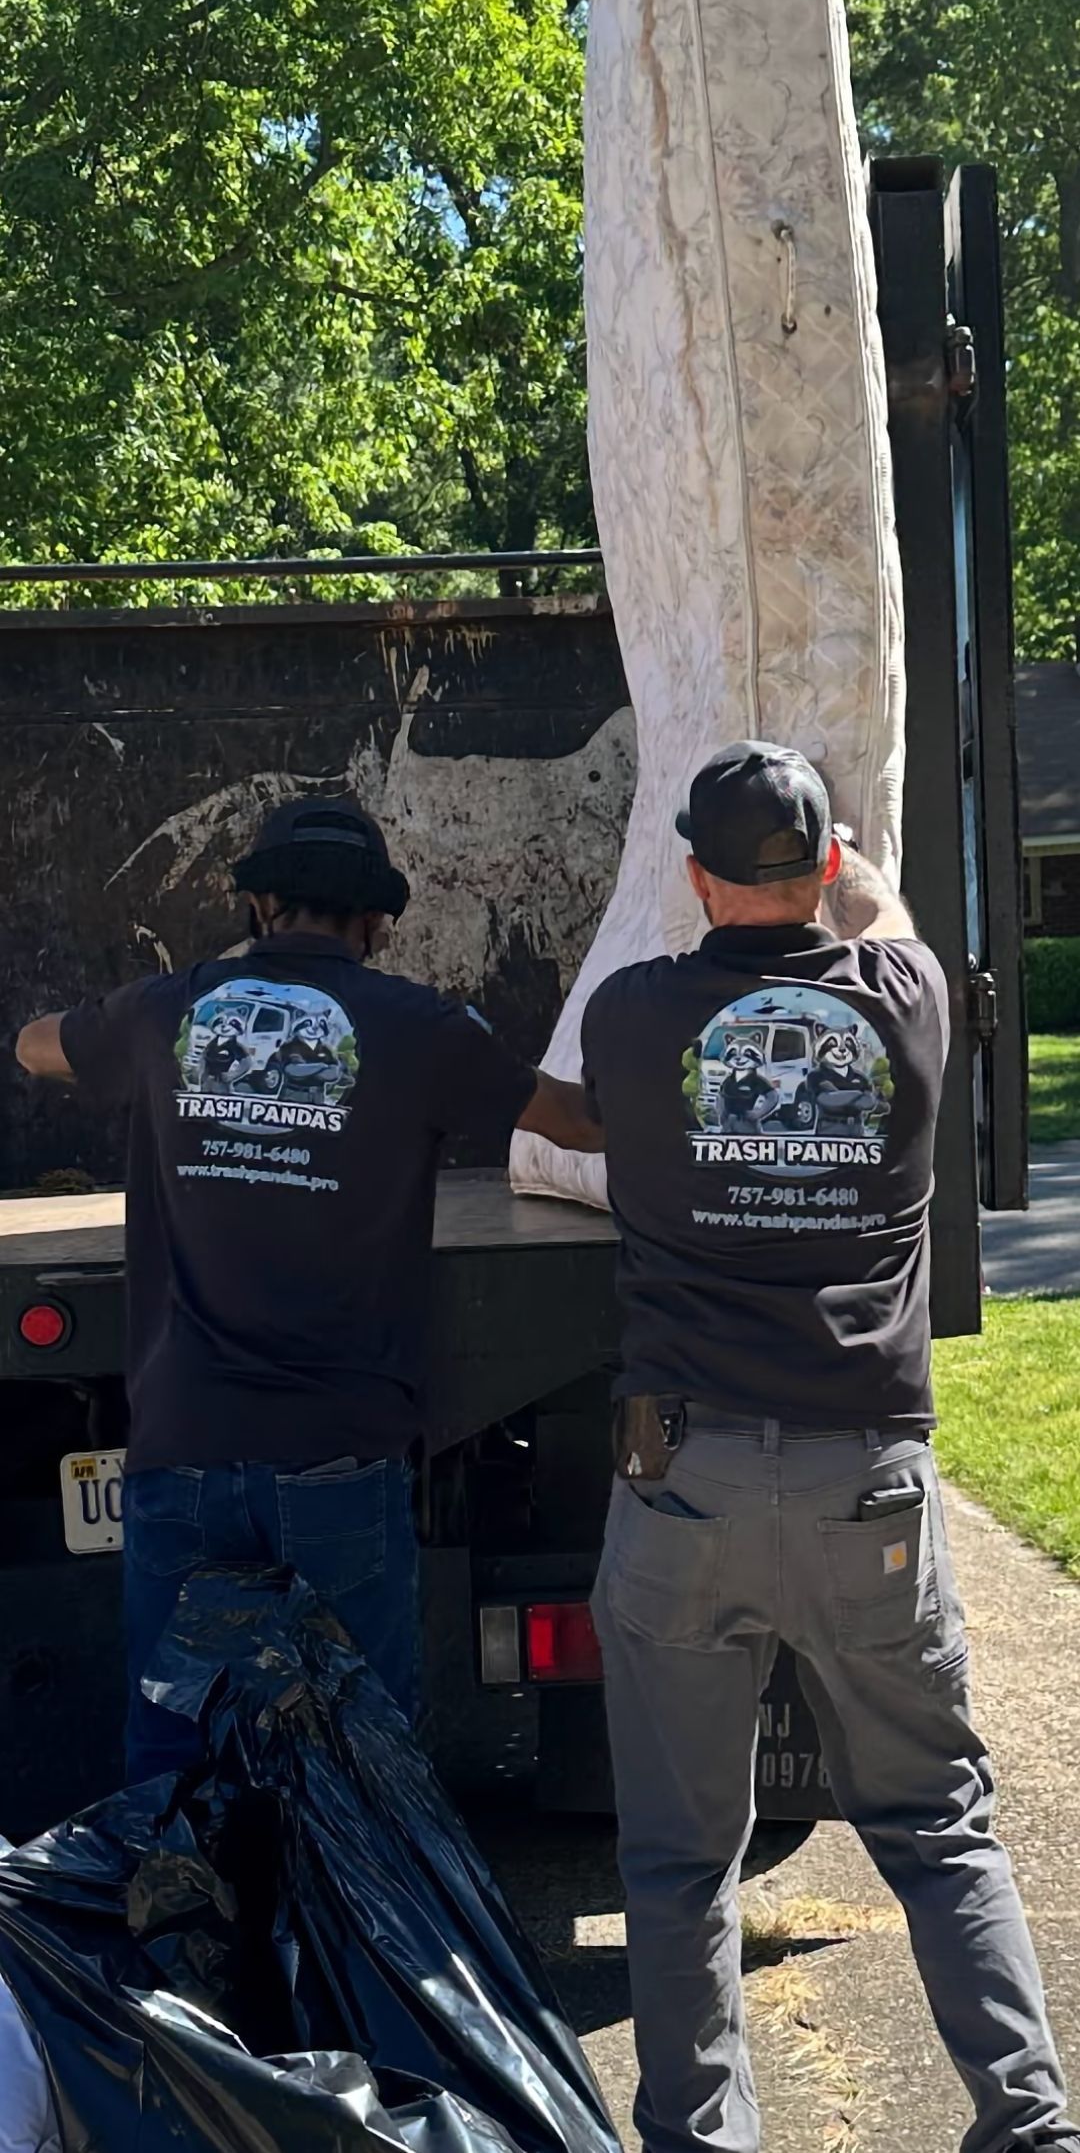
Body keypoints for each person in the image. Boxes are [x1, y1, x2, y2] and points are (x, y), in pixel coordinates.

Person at [583, 741, 1076, 2153]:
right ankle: (1027, 2125)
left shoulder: (629, 1016)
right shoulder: (908, 1000)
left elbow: (578, 1120)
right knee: (937, 1822)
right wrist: (848, 880)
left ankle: (698, 2139)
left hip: (681, 1473)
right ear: (830, 866)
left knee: (682, 1859)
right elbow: (891, 923)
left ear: (691, 875)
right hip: (871, 1480)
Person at [17, 796, 601, 1783]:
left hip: (183, 1453)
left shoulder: (167, 1012)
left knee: (173, 1747)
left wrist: (139, 1033)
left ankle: (189, 1929)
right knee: (359, 1753)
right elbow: (576, 1125)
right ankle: (343, 1935)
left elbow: (37, 1046)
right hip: (339, 1455)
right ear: (376, 921)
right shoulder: (426, 1030)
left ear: (259, 903)